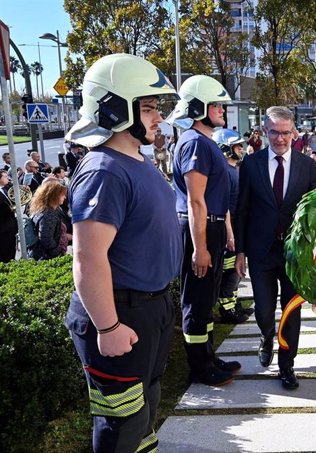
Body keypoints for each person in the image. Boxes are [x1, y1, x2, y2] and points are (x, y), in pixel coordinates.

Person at [63, 53, 182, 453]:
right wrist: (108, 327)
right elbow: (88, 258)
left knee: (145, 412)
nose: (158, 117)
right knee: (122, 423)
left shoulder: (136, 160)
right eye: (148, 107)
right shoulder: (104, 170)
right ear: (116, 107)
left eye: (156, 108)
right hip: (121, 314)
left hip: (151, 309)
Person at [235, 106, 316, 390]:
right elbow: (242, 210)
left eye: (285, 133)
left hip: (294, 254)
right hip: (260, 252)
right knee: (263, 309)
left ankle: (287, 365)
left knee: (291, 311)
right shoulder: (251, 164)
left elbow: (314, 209)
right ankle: (266, 335)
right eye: (274, 132)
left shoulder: (307, 167)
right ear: (264, 131)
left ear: (293, 132)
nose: (280, 139)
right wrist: (241, 252)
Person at [170, 75, 240, 387]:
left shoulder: (204, 141)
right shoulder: (194, 143)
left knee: (206, 298)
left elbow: (214, 196)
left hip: (210, 227)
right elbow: (195, 200)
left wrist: (225, 231)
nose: (222, 109)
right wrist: (200, 248)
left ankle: (209, 357)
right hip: (198, 228)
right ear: (199, 108)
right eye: (215, 105)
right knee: (197, 301)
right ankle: (199, 368)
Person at [213, 129, 254, 324]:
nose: (242, 149)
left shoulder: (234, 169)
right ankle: (228, 310)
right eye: (237, 146)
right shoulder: (224, 172)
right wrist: (230, 233)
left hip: (237, 226)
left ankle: (234, 304)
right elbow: (224, 206)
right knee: (230, 271)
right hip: (229, 228)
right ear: (225, 148)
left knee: (236, 271)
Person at [27, 180, 68, 260]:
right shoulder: (49, 214)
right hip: (45, 257)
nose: (65, 197)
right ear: (54, 195)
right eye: (62, 195)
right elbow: (46, 239)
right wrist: (58, 252)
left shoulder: (42, 209)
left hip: (40, 254)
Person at [0, 170, 18, 262]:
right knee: (5, 255)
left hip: (10, 227)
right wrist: (9, 209)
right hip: (3, 229)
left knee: (11, 252)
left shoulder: (4, 189)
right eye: (5, 176)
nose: (7, 178)